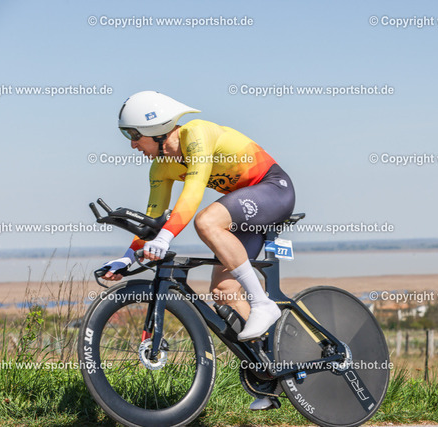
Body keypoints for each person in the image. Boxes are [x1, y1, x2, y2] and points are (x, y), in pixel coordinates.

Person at [102, 91, 295, 410]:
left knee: (206, 221)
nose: (132, 145)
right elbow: (153, 219)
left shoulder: (196, 134)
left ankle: (263, 303)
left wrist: (165, 238)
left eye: (133, 135)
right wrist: (127, 257)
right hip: (241, 211)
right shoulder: (160, 168)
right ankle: (271, 374)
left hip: (272, 189)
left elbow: (192, 194)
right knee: (224, 292)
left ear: (156, 129)